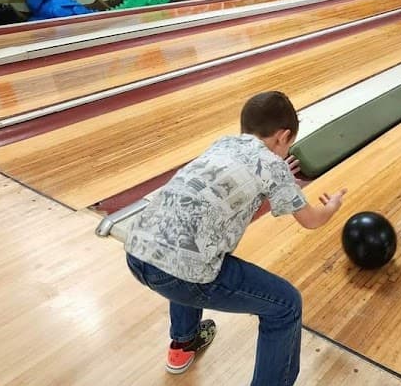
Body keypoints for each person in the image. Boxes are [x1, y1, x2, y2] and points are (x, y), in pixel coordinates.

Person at [125, 90, 346, 385]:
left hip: (137, 251)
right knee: (286, 304)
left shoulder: (223, 145)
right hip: (181, 275)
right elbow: (311, 220)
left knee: (188, 248)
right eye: (287, 145)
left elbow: (236, 187)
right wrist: (331, 207)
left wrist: (281, 180)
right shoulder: (274, 166)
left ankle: (183, 343)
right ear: (283, 136)